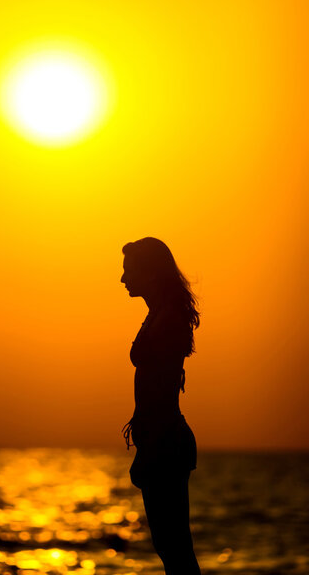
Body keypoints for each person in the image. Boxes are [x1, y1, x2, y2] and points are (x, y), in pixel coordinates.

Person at [120, 237, 201, 575]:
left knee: (175, 547)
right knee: (169, 546)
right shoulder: (158, 314)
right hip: (160, 440)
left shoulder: (168, 318)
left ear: (150, 273)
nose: (123, 279)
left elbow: (162, 389)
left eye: (129, 271)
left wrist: (150, 447)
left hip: (165, 442)